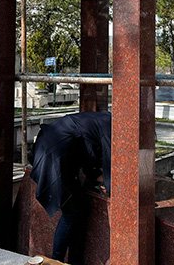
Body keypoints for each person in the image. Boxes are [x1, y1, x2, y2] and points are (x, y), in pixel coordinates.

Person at [30, 111, 112, 264]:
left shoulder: (103, 120)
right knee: (71, 212)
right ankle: (56, 260)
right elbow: (109, 158)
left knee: (79, 208)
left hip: (54, 154)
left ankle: (74, 260)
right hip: (54, 159)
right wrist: (110, 185)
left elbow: (87, 148)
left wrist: (97, 177)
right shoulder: (110, 127)